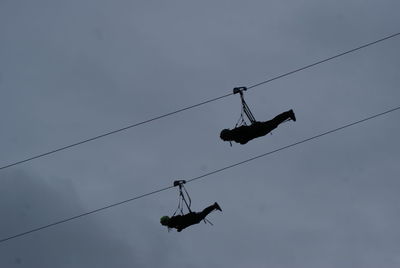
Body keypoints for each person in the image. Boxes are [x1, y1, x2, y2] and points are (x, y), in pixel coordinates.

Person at [220, 109, 296, 145]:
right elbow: (244, 133)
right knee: (274, 122)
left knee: (274, 122)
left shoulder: (233, 134)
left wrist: (242, 141)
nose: (227, 140)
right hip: (258, 130)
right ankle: (288, 114)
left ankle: (288, 113)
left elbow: (244, 131)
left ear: (226, 136)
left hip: (258, 129)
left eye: (226, 139)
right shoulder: (234, 135)